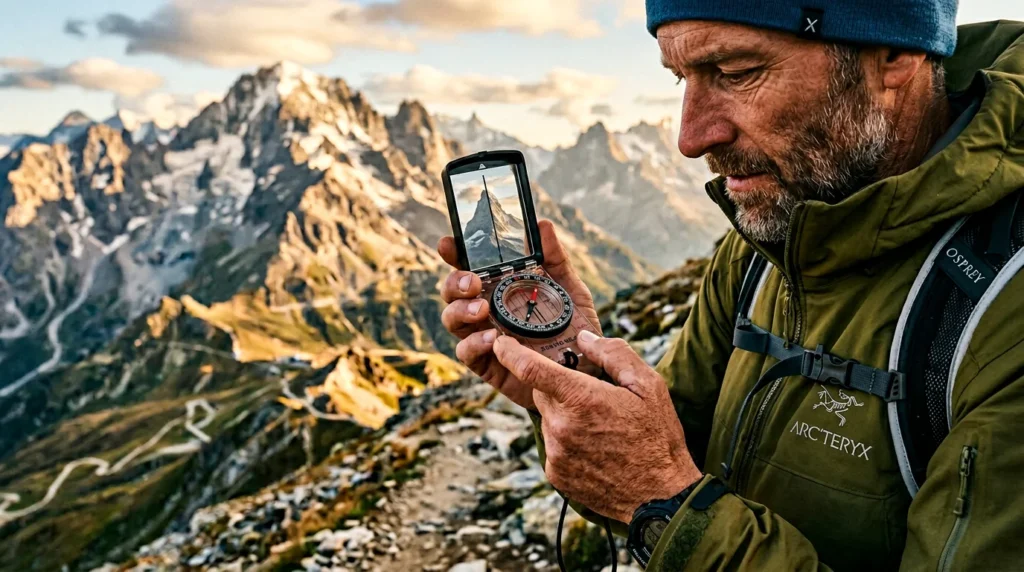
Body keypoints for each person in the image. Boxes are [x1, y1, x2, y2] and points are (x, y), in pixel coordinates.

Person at [437, 0, 1024, 569]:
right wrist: (574, 376)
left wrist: (663, 500)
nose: (690, 138)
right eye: (680, 79)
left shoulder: (1005, 312)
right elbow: (664, 470)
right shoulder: (767, 246)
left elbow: (667, 493)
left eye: (736, 72)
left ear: (893, 50)